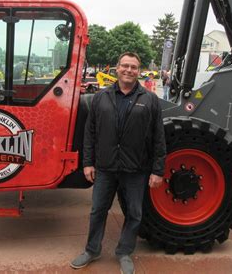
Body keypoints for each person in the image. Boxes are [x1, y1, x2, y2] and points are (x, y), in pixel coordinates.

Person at [70, 52, 166, 274]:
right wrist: (88, 163)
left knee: (134, 213)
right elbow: (90, 133)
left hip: (136, 169)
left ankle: (124, 252)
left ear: (139, 71)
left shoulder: (149, 99)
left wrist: (157, 170)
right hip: (105, 167)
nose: (129, 70)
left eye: (133, 67)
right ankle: (92, 250)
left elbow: (158, 137)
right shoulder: (101, 97)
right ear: (117, 68)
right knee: (97, 211)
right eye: (125, 66)